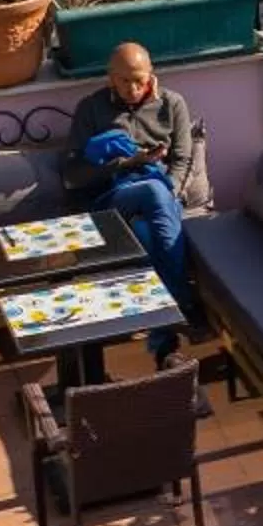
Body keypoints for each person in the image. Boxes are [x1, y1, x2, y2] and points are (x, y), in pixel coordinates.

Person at [61, 42, 197, 370]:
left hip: (160, 204)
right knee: (151, 190)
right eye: (123, 81)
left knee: (149, 232)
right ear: (110, 79)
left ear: (151, 74)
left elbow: (182, 160)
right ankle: (182, 304)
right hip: (111, 201)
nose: (132, 88)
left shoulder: (173, 104)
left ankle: (167, 350)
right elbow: (72, 176)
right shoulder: (91, 109)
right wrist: (124, 163)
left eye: (139, 80)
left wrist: (172, 193)